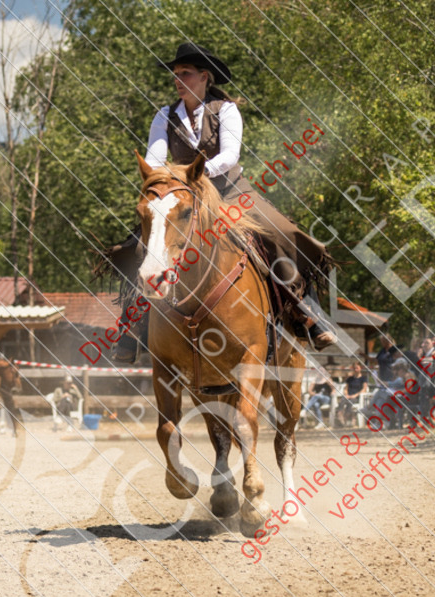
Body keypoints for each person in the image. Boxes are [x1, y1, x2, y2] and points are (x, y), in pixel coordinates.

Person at [109, 43, 336, 362]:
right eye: (175, 74)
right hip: (183, 196)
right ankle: (132, 327)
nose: (178, 79)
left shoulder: (226, 109)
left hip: (230, 192)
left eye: (184, 73)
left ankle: (305, 312)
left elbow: (230, 155)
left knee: (281, 233)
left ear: (204, 77)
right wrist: (171, 182)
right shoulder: (164, 115)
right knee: (138, 247)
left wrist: (191, 176)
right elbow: (154, 159)